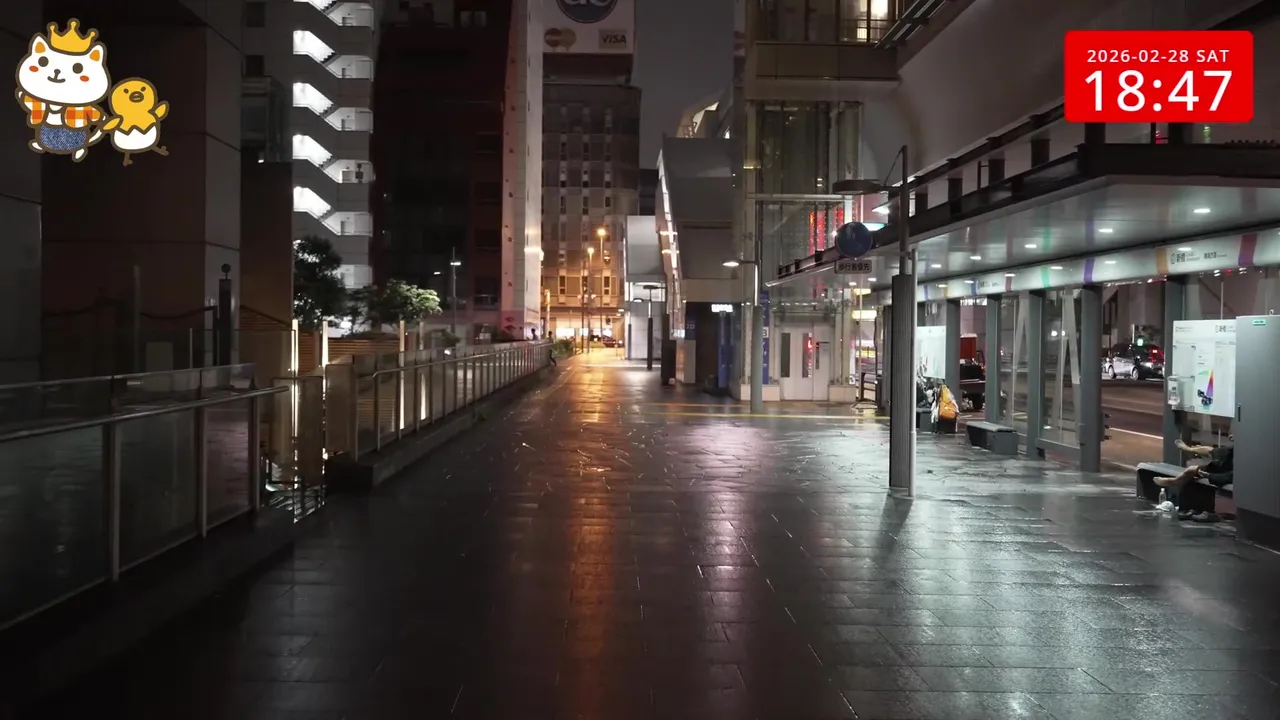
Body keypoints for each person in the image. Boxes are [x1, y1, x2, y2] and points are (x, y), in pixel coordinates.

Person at [1157, 437, 1232, 522]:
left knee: (1199, 473)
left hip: (1229, 475)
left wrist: (1210, 475)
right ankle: (1176, 480)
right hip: (1226, 468)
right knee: (1193, 470)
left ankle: (1207, 511)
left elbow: (1230, 476)